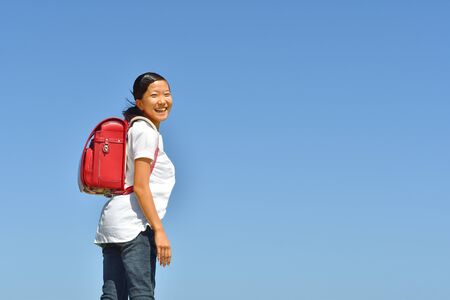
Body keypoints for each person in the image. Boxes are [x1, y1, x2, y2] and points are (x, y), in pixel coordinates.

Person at [94, 72, 176, 300]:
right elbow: (141, 186)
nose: (162, 100)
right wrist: (159, 231)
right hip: (135, 226)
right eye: (154, 95)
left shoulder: (133, 129)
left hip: (113, 224)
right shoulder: (145, 132)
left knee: (112, 296)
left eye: (167, 94)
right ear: (140, 103)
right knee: (142, 294)